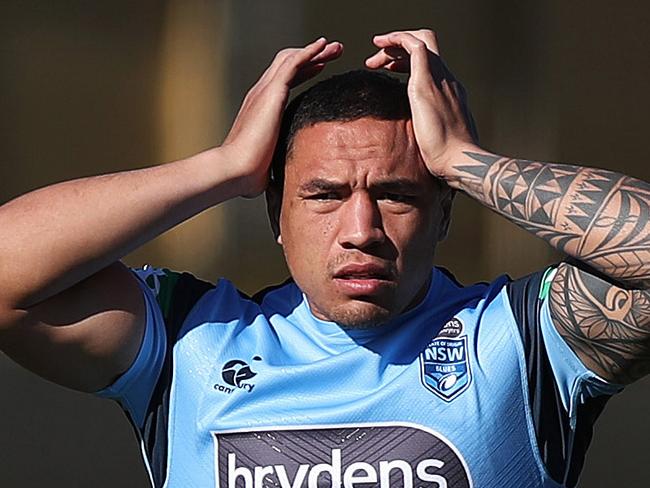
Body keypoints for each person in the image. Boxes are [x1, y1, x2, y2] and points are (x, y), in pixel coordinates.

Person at [0, 28, 647, 487]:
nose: (360, 228)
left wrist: (465, 161)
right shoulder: (189, 338)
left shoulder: (521, 339)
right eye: (325, 195)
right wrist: (223, 168)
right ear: (275, 214)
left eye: (395, 195)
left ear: (445, 209)